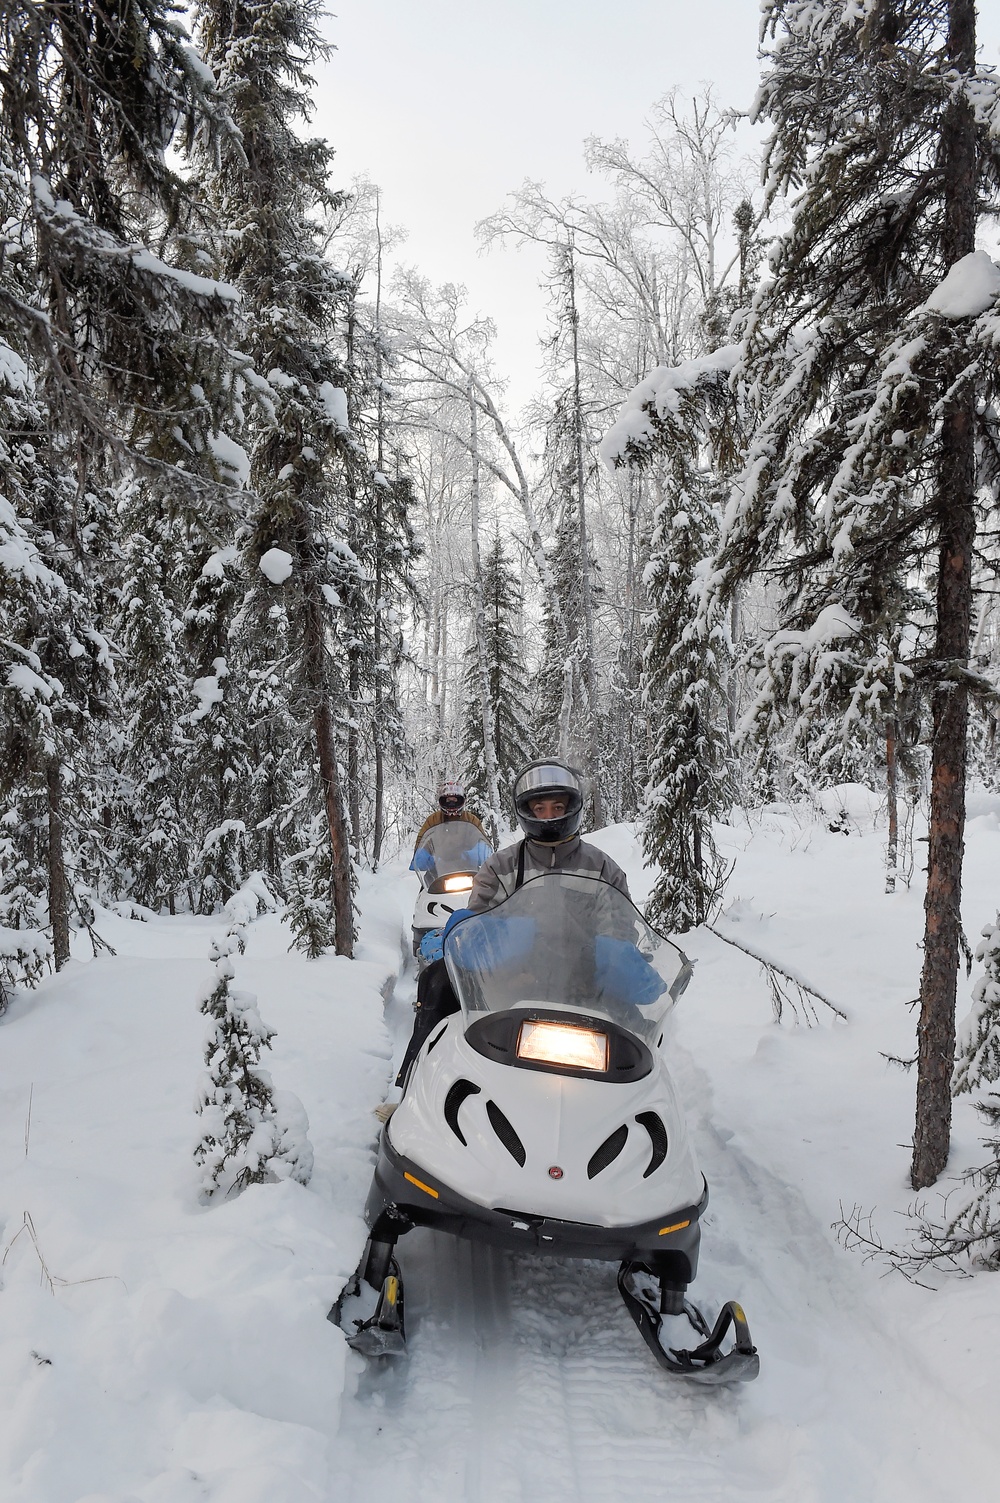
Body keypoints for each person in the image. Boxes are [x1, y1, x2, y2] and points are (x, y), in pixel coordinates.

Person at [393, 759, 629, 1091]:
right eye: (540, 808)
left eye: (557, 807)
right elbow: (481, 922)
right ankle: (414, 1084)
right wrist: (475, 943)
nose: (549, 816)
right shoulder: (501, 866)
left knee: (638, 1035)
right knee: (438, 980)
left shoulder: (603, 868)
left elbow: (620, 926)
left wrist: (619, 959)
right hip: (514, 979)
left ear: (572, 808)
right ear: (526, 812)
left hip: (583, 980)